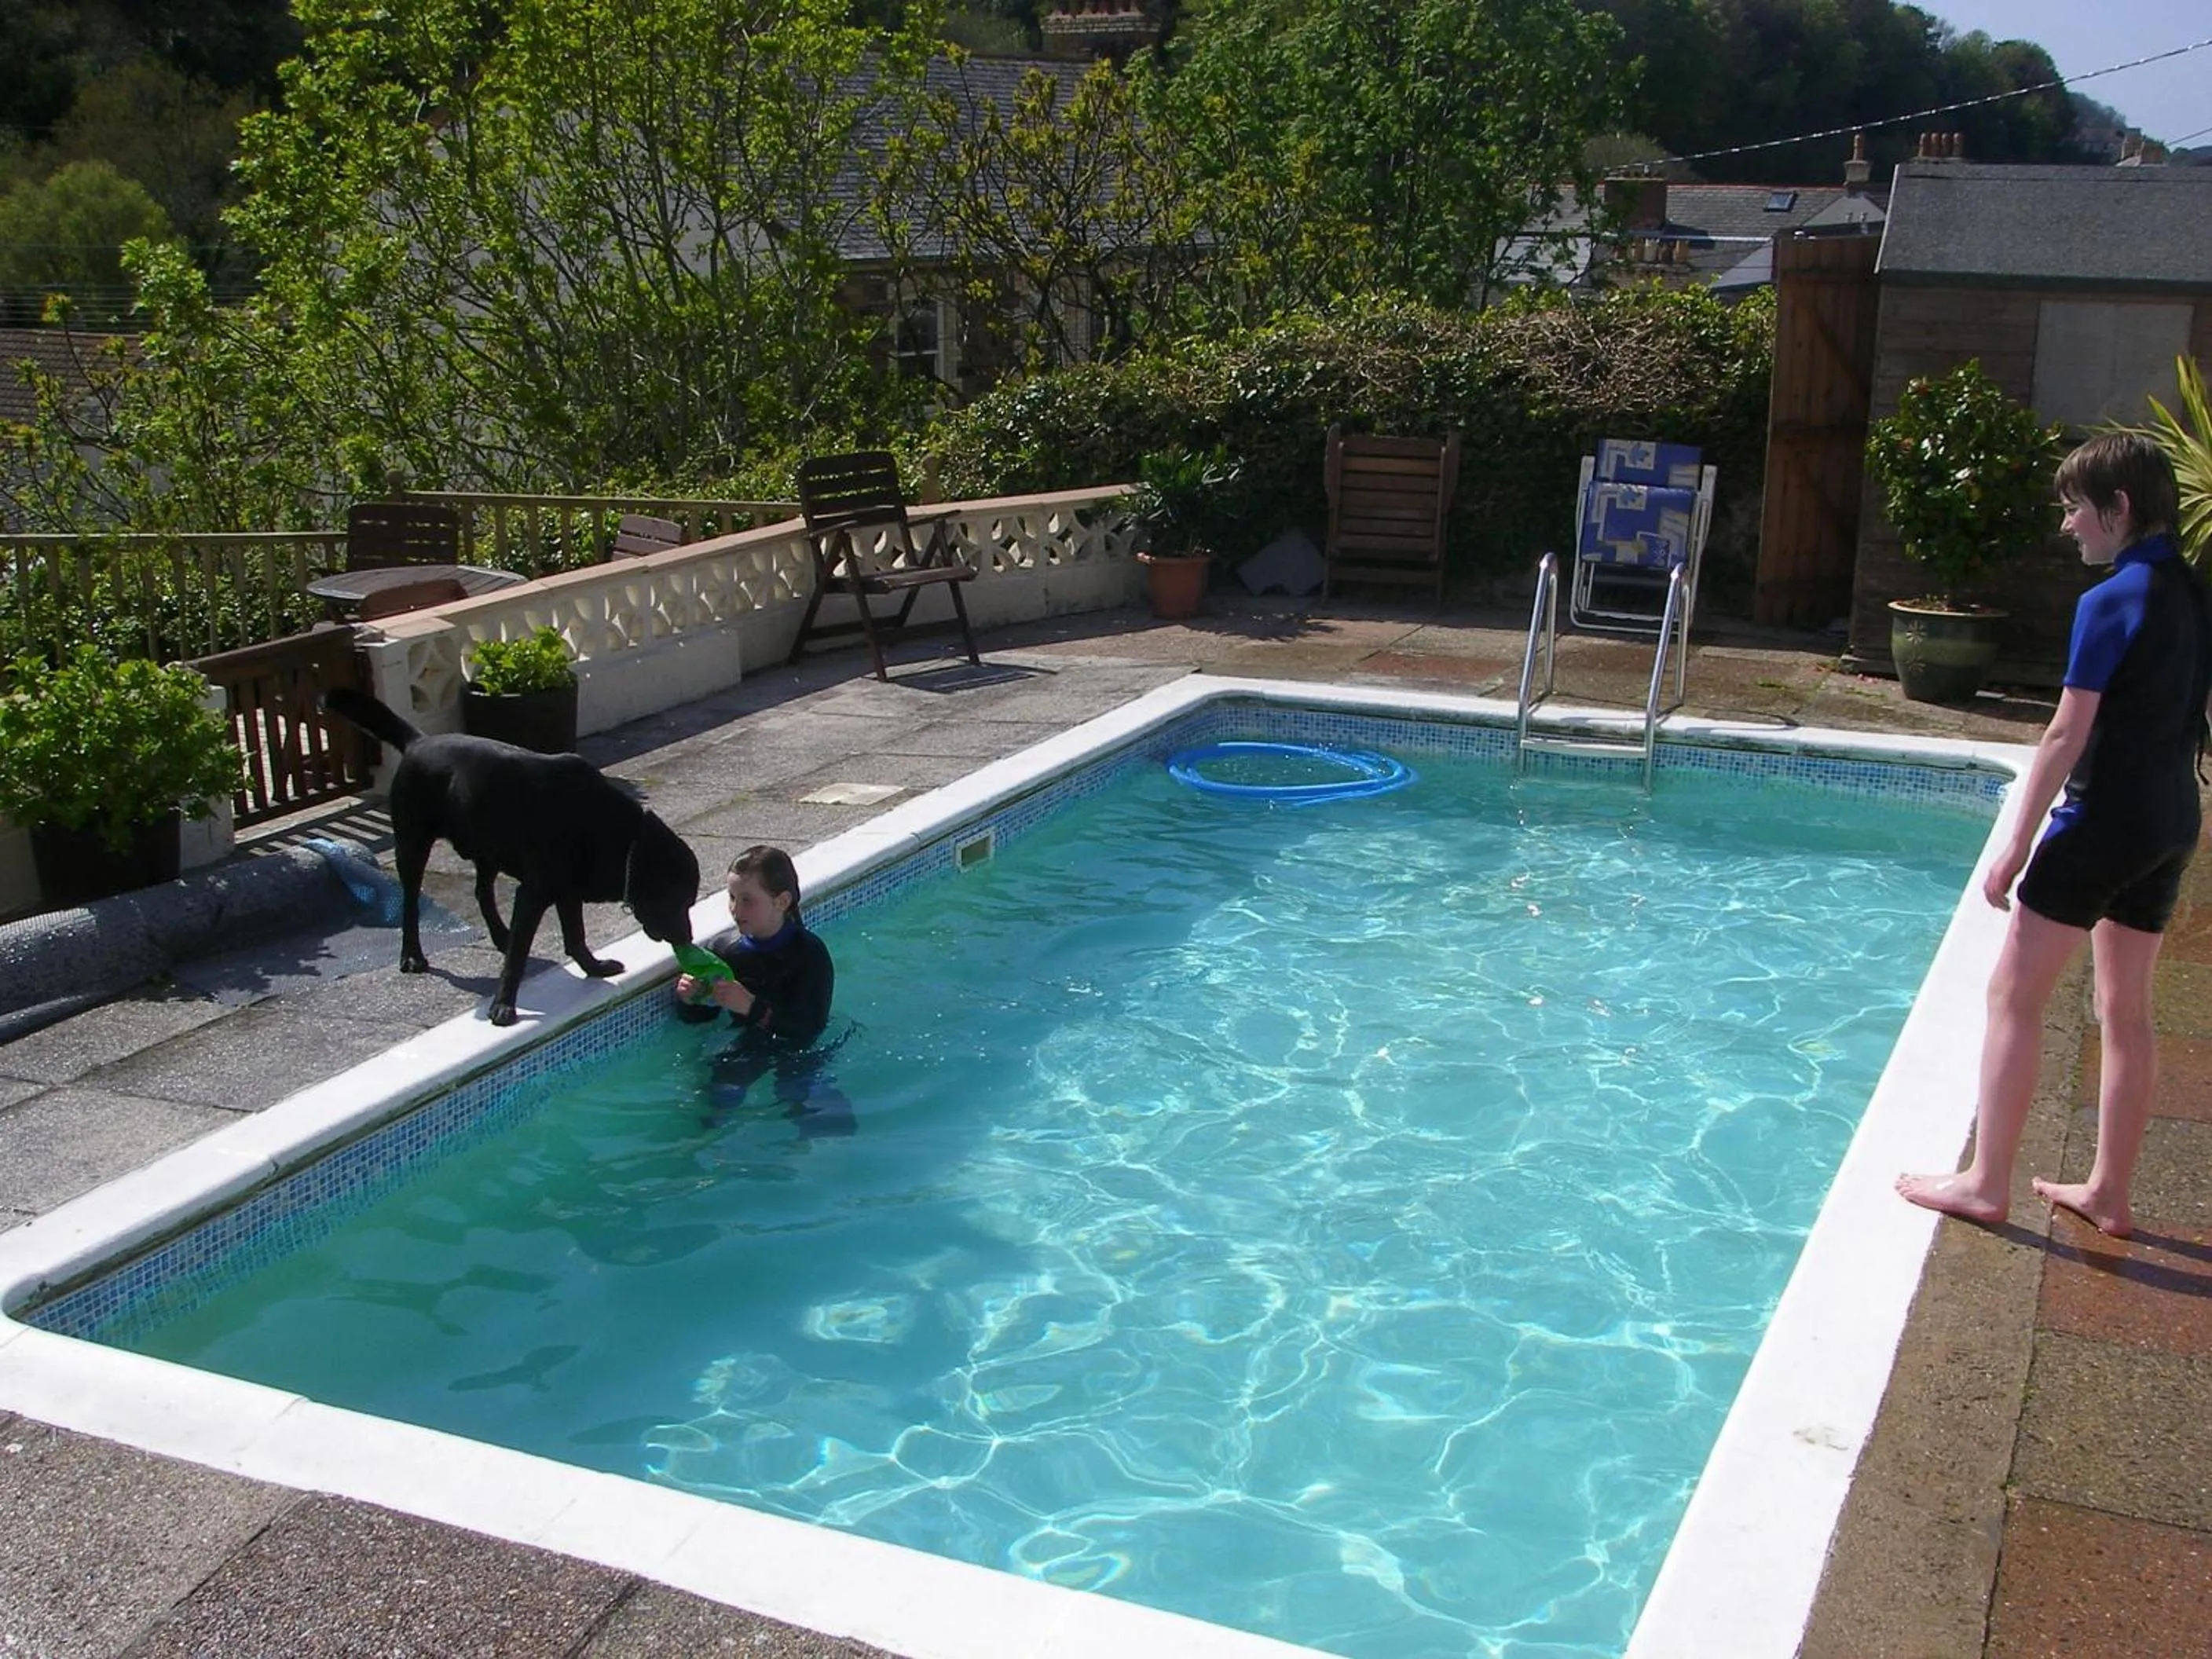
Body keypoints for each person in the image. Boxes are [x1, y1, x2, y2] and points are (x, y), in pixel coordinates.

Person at [1898, 432, 2210, 1239]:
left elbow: (2063, 736)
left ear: (2118, 509)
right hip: (2171, 820)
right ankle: (2107, 1191)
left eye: (2075, 509)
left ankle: (1983, 1181)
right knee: (2125, 1011)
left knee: (2012, 996)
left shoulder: (2108, 601)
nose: (2067, 526)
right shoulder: (2194, 593)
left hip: (2099, 826)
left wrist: (2012, 842)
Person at [676, 845, 851, 1136]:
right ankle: (710, 1146)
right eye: (732, 898)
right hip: (750, 1044)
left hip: (801, 1049)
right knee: (721, 1089)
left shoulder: (810, 955)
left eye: (748, 901)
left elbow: (809, 1026)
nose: (735, 909)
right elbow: (701, 1017)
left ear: (782, 901)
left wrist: (751, 1006)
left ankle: (823, 1147)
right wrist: (690, 998)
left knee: (798, 1093)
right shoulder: (725, 950)